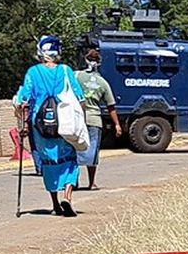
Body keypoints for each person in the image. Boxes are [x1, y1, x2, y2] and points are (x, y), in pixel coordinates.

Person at [14, 36, 84, 216]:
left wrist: (22, 123)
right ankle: (67, 197)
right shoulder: (66, 70)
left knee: (48, 161)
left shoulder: (33, 72)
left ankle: (55, 203)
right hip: (65, 121)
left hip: (41, 124)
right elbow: (80, 96)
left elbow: (23, 100)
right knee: (70, 159)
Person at [74, 48, 122, 190]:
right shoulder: (103, 82)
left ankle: (73, 182)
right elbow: (111, 106)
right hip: (94, 120)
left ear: (85, 60)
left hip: (78, 119)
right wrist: (117, 125)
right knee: (92, 151)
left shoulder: (77, 76)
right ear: (98, 63)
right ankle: (91, 183)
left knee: (75, 149)